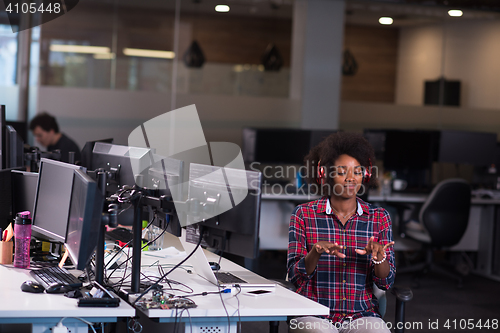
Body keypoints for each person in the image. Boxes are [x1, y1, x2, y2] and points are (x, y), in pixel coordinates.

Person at [287, 132, 395, 333]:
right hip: (314, 312)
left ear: (366, 174)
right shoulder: (303, 215)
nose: (350, 179)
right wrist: (316, 252)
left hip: (362, 315)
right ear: (325, 174)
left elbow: (386, 282)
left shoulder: (379, 217)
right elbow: (295, 278)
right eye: (342, 171)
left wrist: (379, 259)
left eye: (357, 171)